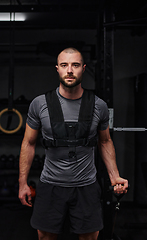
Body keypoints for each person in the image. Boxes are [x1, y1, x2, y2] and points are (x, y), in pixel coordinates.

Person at [18, 47, 128, 240]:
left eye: (75, 65)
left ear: (83, 69)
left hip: (86, 186)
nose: (70, 70)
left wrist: (115, 176)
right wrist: (22, 183)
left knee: (89, 238)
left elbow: (105, 141)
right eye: (64, 65)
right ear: (57, 69)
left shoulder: (98, 105)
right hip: (50, 184)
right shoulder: (39, 104)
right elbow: (28, 143)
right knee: (45, 237)